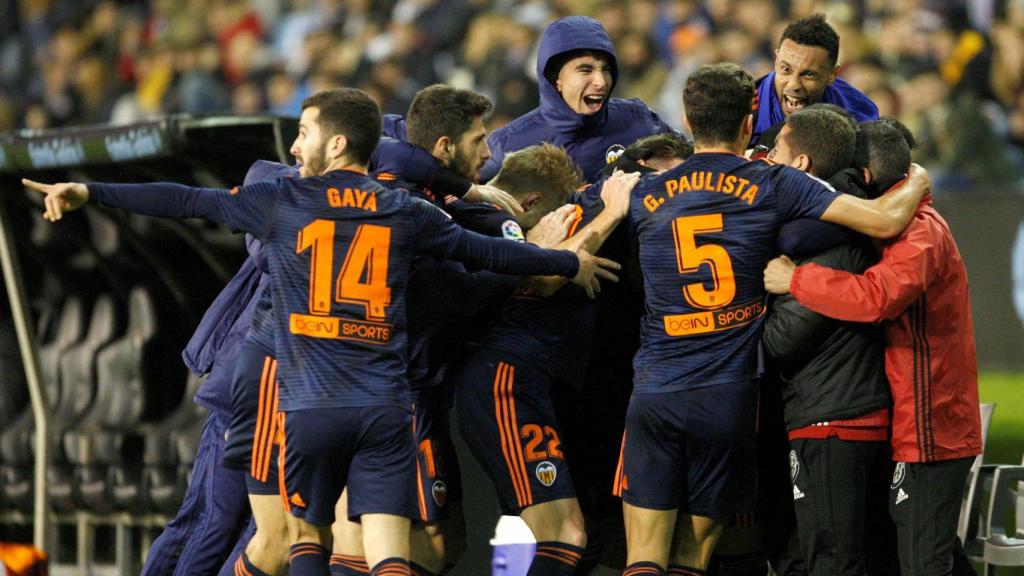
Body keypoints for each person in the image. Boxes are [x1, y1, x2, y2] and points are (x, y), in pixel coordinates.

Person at [29, 87, 620, 576]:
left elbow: (186, 200)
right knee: (388, 550)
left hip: (304, 399)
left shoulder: (285, 199)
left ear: (336, 142)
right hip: (383, 405)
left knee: (294, 540)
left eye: (305, 131)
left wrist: (90, 192)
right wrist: (569, 259)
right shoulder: (410, 212)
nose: (294, 144)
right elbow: (490, 257)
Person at [615, 62, 931, 576]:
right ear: (748, 123)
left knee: (644, 558)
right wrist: (917, 176)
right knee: (692, 559)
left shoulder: (641, 193)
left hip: (656, 389)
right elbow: (886, 220)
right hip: (727, 395)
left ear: (687, 120)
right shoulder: (776, 181)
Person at [763, 119, 982, 576]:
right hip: (913, 420)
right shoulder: (896, 226)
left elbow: (878, 297)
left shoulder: (920, 232)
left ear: (863, 180)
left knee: (924, 562)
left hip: (932, 423)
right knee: (924, 555)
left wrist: (795, 279)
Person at [140, 159, 293, 576]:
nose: (297, 141)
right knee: (211, 521)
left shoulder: (367, 203)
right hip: (243, 392)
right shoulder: (276, 182)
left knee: (265, 534)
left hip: (293, 400)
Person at [762, 106, 894, 576]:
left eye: (775, 150)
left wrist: (764, 295)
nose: (765, 160)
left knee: (832, 560)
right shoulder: (843, 223)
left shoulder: (822, 237)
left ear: (799, 166)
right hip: (846, 411)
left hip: (833, 420)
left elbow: (782, 339)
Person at [478, 15, 679, 184]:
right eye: (585, 70)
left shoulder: (638, 119)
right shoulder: (509, 146)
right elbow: (465, 209)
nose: (600, 82)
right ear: (555, 78)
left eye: (606, 69)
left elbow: (694, 161)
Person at [751, 14, 879, 148]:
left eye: (809, 74)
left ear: (832, 75)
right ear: (776, 60)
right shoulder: (742, 111)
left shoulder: (859, 114)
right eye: (785, 69)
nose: (793, 84)